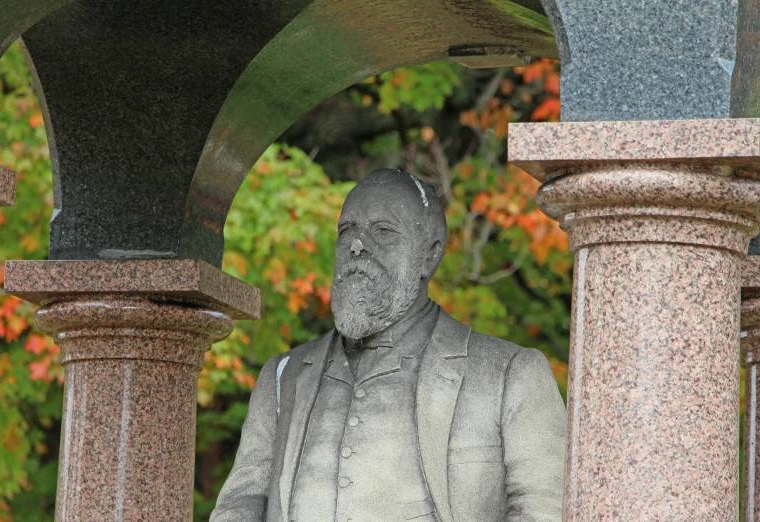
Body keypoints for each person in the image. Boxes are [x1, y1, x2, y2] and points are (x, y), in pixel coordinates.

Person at [211, 169, 566, 522]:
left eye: (383, 231)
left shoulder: (509, 375)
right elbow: (240, 503)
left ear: (430, 254)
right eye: (347, 230)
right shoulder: (282, 377)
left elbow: (543, 511)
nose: (357, 245)